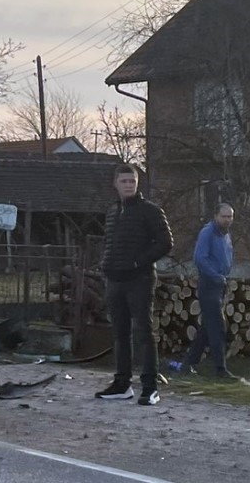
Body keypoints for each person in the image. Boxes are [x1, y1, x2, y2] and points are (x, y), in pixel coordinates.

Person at [96, 164, 174, 406]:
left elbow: (165, 242)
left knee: (143, 332)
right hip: (114, 280)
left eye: (132, 181)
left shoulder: (150, 211)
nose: (128, 185)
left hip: (139, 279)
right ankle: (122, 384)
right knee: (120, 333)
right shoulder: (112, 212)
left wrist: (138, 262)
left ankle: (150, 387)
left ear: (137, 183)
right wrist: (105, 264)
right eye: (124, 181)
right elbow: (110, 242)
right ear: (115, 183)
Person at [182, 203, 236, 378]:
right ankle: (220, 369)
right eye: (224, 216)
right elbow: (200, 258)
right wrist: (215, 276)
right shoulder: (208, 232)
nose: (228, 220)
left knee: (207, 327)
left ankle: (188, 364)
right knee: (217, 327)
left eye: (230, 217)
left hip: (220, 283)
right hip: (209, 283)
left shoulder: (226, 234)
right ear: (216, 216)